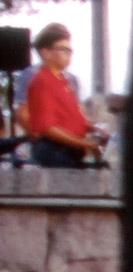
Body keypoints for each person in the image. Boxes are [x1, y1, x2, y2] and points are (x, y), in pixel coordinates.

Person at [24, 25, 102, 169]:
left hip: (70, 150)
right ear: (46, 52)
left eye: (70, 50)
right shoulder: (42, 82)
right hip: (55, 151)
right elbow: (48, 128)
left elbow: (71, 120)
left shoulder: (64, 83)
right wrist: (84, 143)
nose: (68, 55)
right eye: (63, 49)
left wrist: (96, 129)